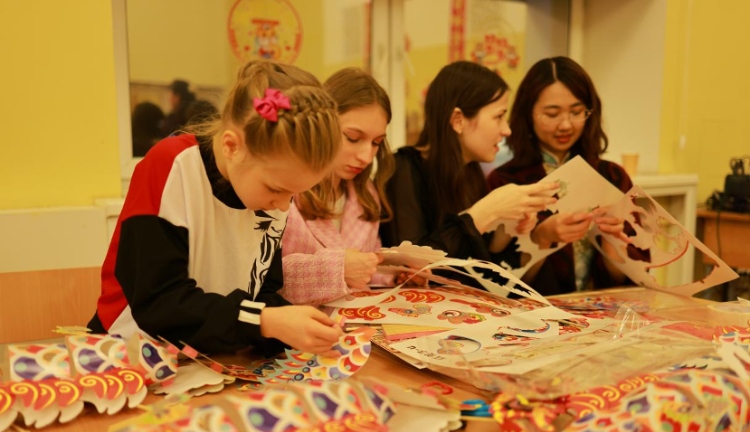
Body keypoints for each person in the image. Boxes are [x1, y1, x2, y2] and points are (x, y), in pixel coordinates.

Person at [88, 61, 345, 357]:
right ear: (231, 146)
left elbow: (261, 292)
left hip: (205, 358)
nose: (284, 205)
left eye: (294, 194)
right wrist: (265, 321)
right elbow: (160, 303)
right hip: (128, 353)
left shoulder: (269, 187)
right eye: (276, 190)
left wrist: (294, 327)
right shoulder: (172, 166)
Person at [379, 60, 558, 274]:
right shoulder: (403, 168)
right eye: (499, 116)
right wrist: (485, 211)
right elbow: (411, 266)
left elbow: (483, 265)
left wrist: (508, 226)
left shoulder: (471, 171)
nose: (506, 130)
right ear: (458, 120)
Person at [487, 56, 632, 295]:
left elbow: (631, 284)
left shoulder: (613, 176)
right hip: (535, 313)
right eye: (552, 114)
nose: (566, 125)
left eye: (576, 112)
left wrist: (612, 243)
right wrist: (541, 238)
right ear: (528, 114)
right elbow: (499, 284)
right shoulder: (505, 181)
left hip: (604, 310)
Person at [280, 67, 398, 305]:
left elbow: (364, 268)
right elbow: (264, 278)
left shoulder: (365, 194)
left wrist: (394, 274)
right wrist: (339, 268)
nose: (366, 157)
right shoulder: (283, 193)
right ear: (322, 124)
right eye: (353, 138)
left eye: (376, 143)